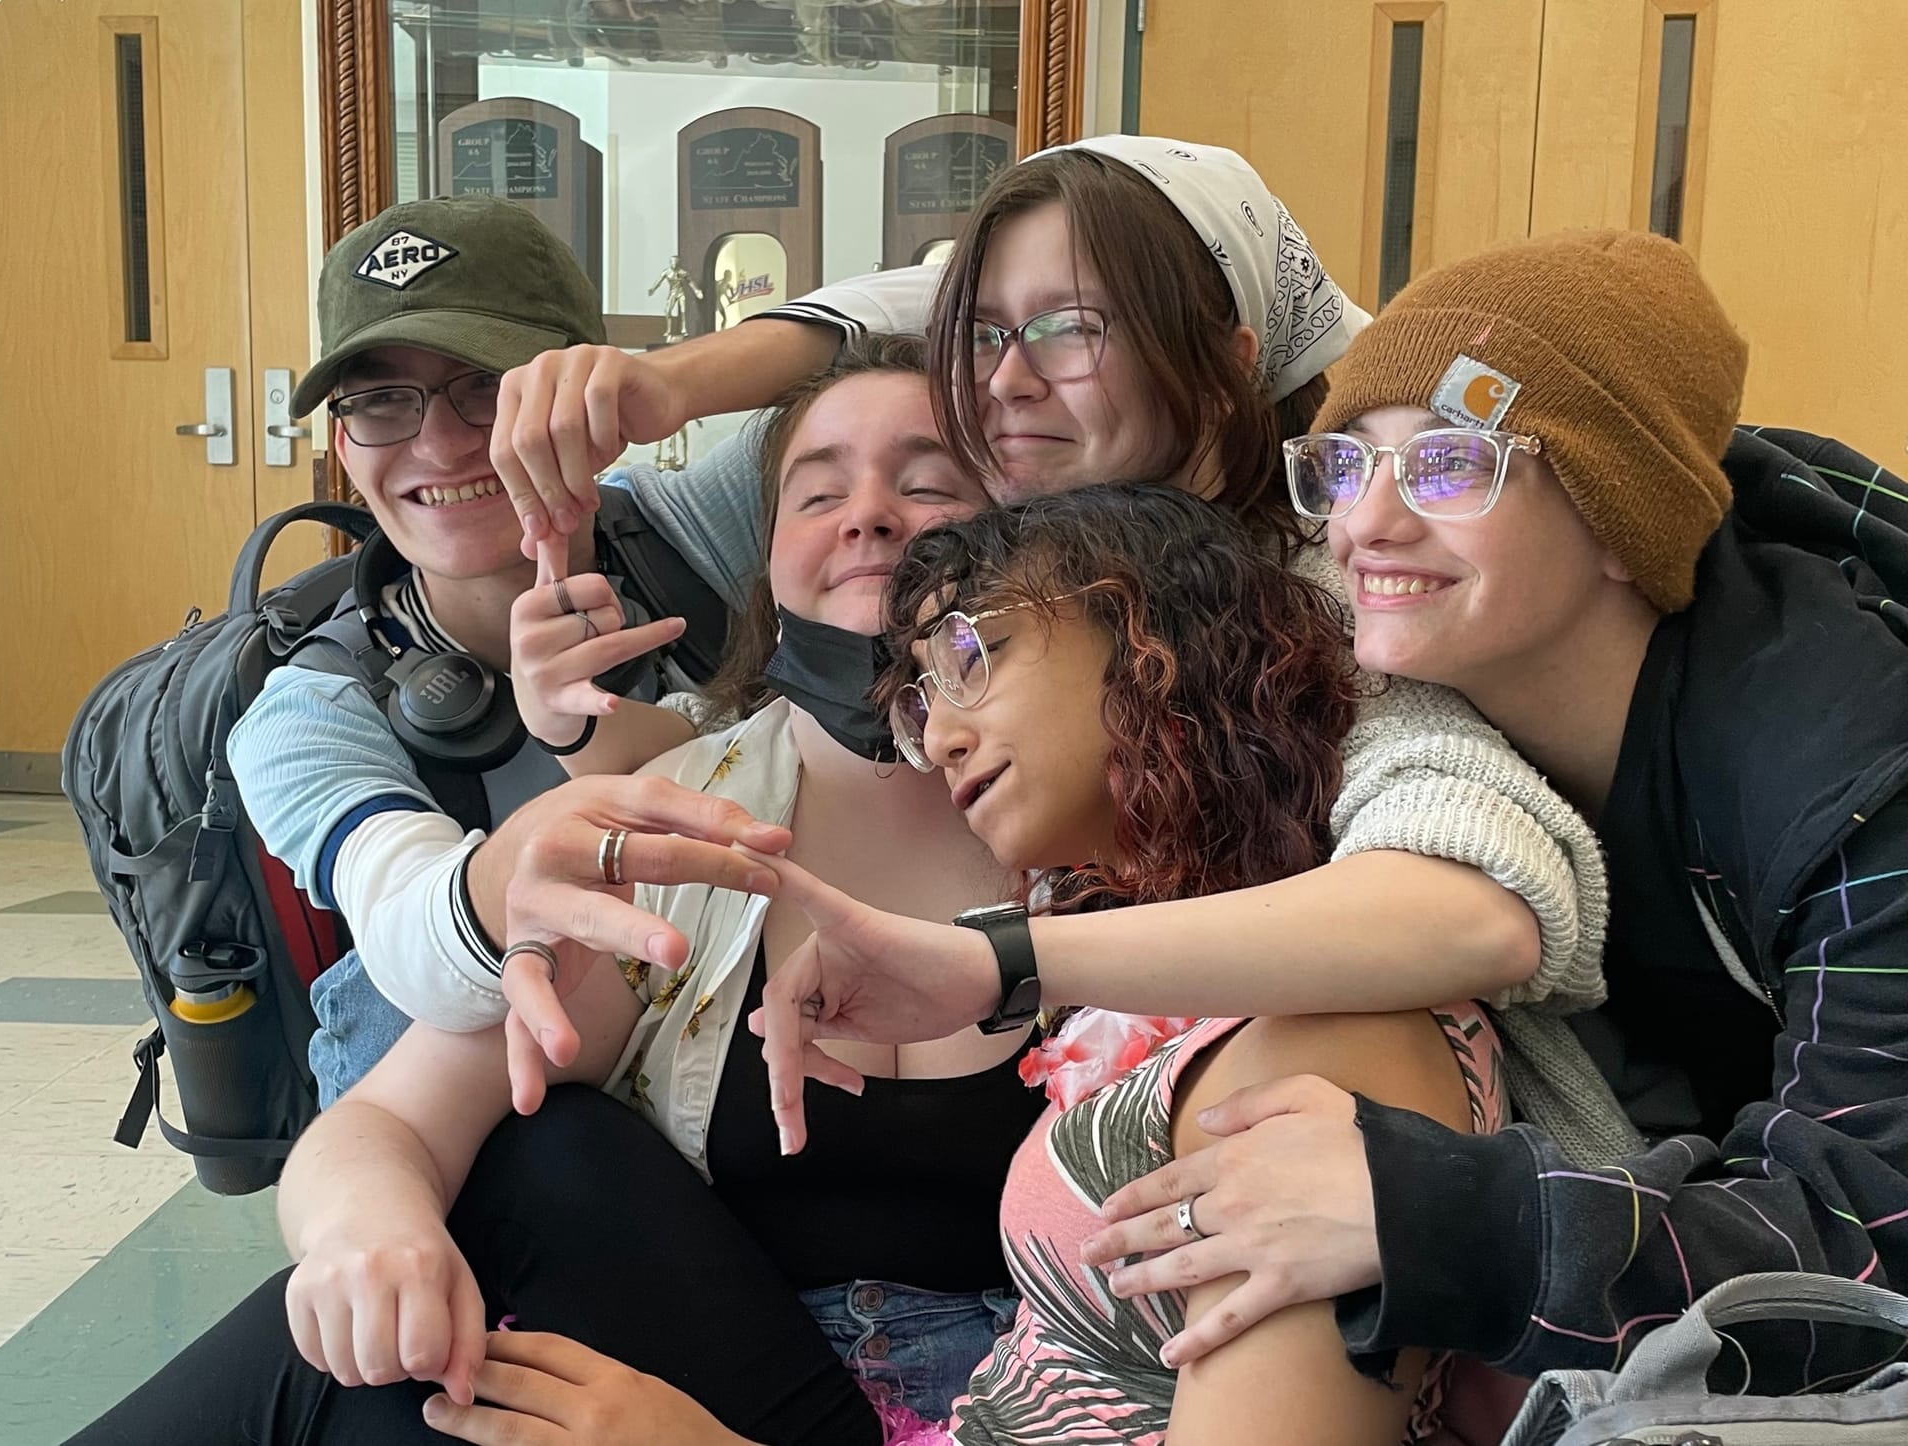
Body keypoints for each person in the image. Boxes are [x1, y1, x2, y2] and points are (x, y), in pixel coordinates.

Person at [495, 134, 1626, 1163]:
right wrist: (580, 739)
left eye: (1072, 328)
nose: (1005, 380)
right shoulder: (1001, 599)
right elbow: (768, 746)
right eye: (984, 336)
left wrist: (999, 963)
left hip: (1374, 1185)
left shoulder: (1326, 608)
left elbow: (1478, 903)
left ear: (1225, 364)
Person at [65, 336, 1039, 1446]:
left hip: (1021, 1415)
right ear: (766, 562)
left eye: (928, 483)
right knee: (522, 1169)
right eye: (817, 494)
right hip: (701, 1378)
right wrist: (369, 1237)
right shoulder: (667, 825)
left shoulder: (1134, 836)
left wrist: (672, 382)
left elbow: (1012, 286)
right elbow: (387, 1116)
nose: (867, 515)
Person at [999, 231, 1908, 1393]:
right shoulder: (1419, 702)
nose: (1363, 526)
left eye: (1446, 466)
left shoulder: (1849, 776)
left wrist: (1422, 1214)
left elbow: (1866, 1251)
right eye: (1344, 466)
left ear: (1618, 520)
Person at [425, 484, 1513, 1446]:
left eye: (969, 656)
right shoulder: (1154, 980)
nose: (939, 736)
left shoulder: (1338, 1034)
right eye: (919, 699)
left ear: (1152, 634)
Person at [229, 195, 734, 1106]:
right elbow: (408, 927)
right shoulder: (308, 713)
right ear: (343, 442)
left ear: (592, 396)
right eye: (381, 400)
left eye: (491, 388)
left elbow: (952, 331)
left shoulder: (709, 532)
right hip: (508, 1123)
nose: (438, 445)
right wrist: (523, 874)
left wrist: (675, 382)